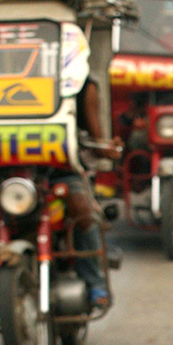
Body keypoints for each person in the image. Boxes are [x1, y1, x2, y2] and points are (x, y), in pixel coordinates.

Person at [66, 78, 121, 309]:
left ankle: (95, 283)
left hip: (58, 169)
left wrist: (103, 146)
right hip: (6, 171)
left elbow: (97, 138)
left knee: (82, 210)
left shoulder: (80, 85)